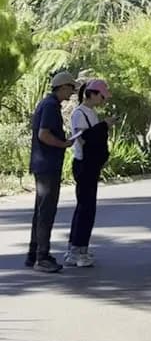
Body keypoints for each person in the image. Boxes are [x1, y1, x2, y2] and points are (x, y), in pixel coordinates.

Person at [26, 70, 78, 273]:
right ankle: (42, 257)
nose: (71, 93)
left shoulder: (48, 105)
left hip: (43, 164)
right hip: (47, 165)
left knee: (40, 211)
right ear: (62, 87)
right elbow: (44, 134)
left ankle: (34, 254)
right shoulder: (49, 106)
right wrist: (63, 144)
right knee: (46, 212)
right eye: (70, 88)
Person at [64, 79, 113, 268]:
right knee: (85, 208)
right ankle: (76, 250)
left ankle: (79, 248)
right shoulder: (79, 114)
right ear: (91, 94)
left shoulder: (91, 113)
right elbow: (84, 138)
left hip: (91, 165)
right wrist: (104, 126)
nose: (103, 100)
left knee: (87, 207)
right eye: (101, 96)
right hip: (84, 164)